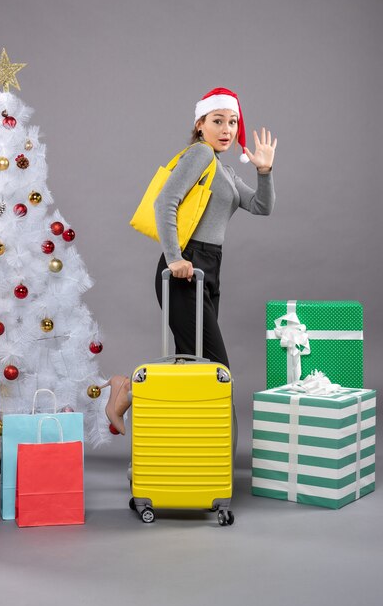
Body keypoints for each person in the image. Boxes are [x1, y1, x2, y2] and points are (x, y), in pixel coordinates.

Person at [105, 87, 277, 434]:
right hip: (186, 268)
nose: (226, 129)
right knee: (216, 367)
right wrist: (174, 258)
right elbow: (164, 202)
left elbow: (262, 206)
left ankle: (128, 393)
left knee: (192, 362)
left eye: (232, 122)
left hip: (210, 269)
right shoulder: (199, 155)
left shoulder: (224, 171)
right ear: (200, 124)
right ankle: (132, 395)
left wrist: (264, 171)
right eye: (218, 121)